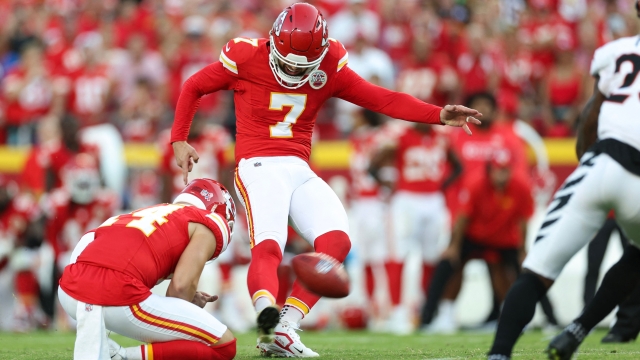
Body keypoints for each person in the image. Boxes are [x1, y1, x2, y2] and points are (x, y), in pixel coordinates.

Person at [170, 3, 481, 357]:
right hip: (257, 164)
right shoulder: (246, 55)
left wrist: (437, 114)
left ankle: (286, 326)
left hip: (299, 167)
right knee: (269, 245)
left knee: (337, 242)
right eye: (286, 63)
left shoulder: (330, 62)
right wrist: (179, 137)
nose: (291, 71)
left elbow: (381, 99)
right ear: (273, 42)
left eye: (300, 66)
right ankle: (267, 325)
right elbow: (194, 85)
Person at [488, 2, 640, 359]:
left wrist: (589, 167)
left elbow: (591, 116)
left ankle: (499, 353)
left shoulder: (614, 52)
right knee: (637, 256)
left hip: (603, 160)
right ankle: (579, 329)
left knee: (538, 270)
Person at [58, 178, 237, 360]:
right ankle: (122, 355)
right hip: (116, 295)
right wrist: (184, 307)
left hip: (69, 293)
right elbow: (181, 288)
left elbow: (84, 246)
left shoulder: (142, 212)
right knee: (225, 346)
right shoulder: (207, 221)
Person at [420, 148, 531, 333]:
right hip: (473, 236)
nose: (502, 174)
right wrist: (453, 246)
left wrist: (522, 250)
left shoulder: (521, 187)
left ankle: (521, 316)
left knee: (527, 272)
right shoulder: (476, 184)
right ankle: (434, 315)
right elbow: (462, 218)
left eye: (505, 169)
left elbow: (523, 221)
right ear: (490, 170)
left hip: (503, 239)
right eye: (498, 169)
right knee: (449, 265)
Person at [369, 122, 462, 334]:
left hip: (434, 200)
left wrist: (441, 186)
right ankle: (397, 312)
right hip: (407, 199)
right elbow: (373, 166)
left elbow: (458, 166)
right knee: (398, 255)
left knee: (432, 257)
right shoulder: (401, 137)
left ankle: (427, 311)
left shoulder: (441, 138)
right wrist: (388, 186)